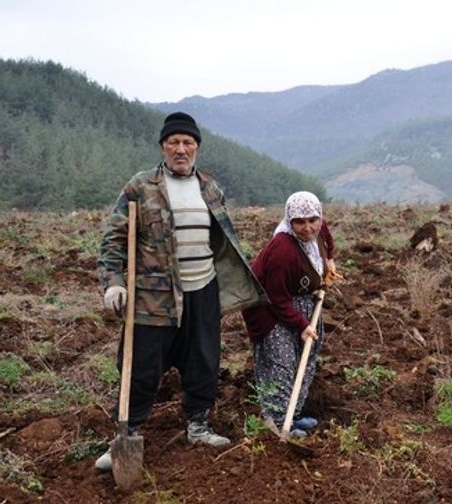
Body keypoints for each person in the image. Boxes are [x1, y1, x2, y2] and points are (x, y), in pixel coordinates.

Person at [94, 112, 267, 471]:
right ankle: (125, 436)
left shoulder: (210, 187)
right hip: (152, 297)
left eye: (188, 143)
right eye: (173, 142)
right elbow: (112, 240)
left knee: (203, 360)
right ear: (162, 146)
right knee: (141, 367)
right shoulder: (140, 187)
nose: (181, 149)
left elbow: (222, 241)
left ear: (197, 149)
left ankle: (198, 426)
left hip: (202, 289)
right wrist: (113, 282)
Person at [242, 191, 338, 437]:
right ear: (289, 221)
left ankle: (291, 415)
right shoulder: (283, 250)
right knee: (282, 362)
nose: (308, 228)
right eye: (299, 222)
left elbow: (326, 238)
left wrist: (330, 260)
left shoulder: (319, 229)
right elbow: (276, 296)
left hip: (301, 300)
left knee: (307, 356)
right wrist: (301, 325)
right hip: (269, 308)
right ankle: (276, 422)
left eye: (312, 220)